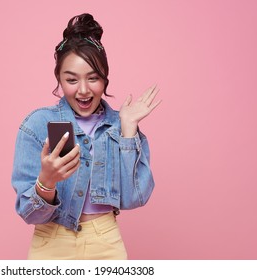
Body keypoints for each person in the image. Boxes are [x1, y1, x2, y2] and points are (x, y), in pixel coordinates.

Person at [11, 13, 161, 260]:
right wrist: (46, 181)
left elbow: (136, 198)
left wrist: (128, 130)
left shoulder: (119, 125)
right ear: (59, 79)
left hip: (106, 242)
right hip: (51, 242)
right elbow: (30, 214)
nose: (83, 90)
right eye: (71, 79)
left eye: (93, 78)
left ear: (105, 79)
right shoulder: (36, 125)